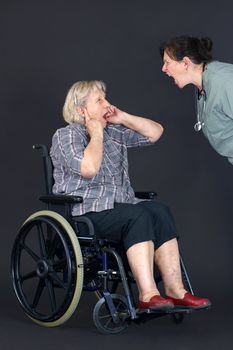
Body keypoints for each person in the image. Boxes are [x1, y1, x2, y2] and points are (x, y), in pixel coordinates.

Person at [50, 80, 210, 311]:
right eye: (99, 100)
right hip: (85, 211)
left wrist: (122, 117)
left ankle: (176, 289)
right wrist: (95, 134)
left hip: (121, 205)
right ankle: (148, 294)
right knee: (137, 216)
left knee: (159, 211)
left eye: (106, 98)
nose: (107, 104)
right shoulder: (66, 136)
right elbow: (89, 169)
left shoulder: (114, 133)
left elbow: (156, 132)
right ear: (81, 110)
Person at [160, 35, 233, 164]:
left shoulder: (225, 81)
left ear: (185, 63)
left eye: (167, 62)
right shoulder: (202, 87)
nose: (164, 69)